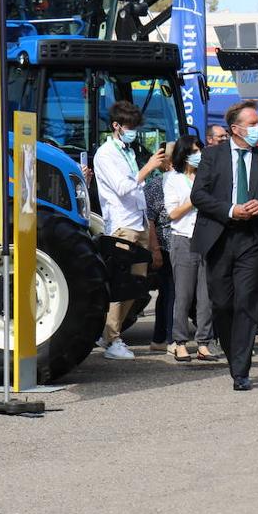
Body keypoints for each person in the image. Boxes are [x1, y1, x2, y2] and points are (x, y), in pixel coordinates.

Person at [190, 100, 258, 391]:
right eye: (253, 123)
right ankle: (235, 357)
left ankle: (241, 371)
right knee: (222, 303)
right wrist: (231, 210)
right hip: (220, 236)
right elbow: (199, 196)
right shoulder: (212, 156)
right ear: (236, 128)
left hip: (254, 240)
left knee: (247, 303)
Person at [94, 100, 166, 361]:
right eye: (129, 126)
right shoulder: (105, 154)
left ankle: (108, 333)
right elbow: (123, 188)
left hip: (139, 222)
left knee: (135, 286)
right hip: (122, 225)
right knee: (121, 284)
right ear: (116, 126)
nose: (133, 131)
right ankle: (112, 338)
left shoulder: (128, 152)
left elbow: (137, 190)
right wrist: (149, 168)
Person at [163, 136, 217, 362]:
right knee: (184, 295)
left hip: (206, 238)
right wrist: (195, 199)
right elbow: (172, 213)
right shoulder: (172, 179)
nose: (199, 155)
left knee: (206, 295)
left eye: (200, 151)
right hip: (183, 238)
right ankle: (180, 342)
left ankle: (204, 343)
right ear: (183, 155)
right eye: (194, 151)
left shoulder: (208, 177)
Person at [145, 142, 174, 354]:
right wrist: (155, 250)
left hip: (185, 246)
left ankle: (163, 337)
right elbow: (150, 221)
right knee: (169, 292)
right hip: (166, 246)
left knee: (173, 293)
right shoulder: (155, 185)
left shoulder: (185, 181)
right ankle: (165, 337)